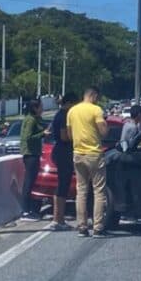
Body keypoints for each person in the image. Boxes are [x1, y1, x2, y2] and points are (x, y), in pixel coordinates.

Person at [66, 87, 109, 237]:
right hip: (94, 153)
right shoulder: (96, 110)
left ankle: (82, 226)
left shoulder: (72, 111)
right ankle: (98, 227)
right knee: (98, 191)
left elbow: (70, 135)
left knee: (81, 191)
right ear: (93, 95)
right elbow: (104, 131)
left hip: (78, 153)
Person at [49, 92, 78, 230]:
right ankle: (58, 219)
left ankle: (58, 218)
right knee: (63, 185)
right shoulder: (64, 115)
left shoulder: (60, 114)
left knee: (62, 185)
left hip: (59, 151)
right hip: (63, 151)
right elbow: (64, 136)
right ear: (70, 103)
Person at [18, 100, 46, 222]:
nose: (42, 109)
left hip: (33, 153)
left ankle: (29, 209)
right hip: (30, 154)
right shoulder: (30, 120)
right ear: (35, 108)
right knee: (28, 182)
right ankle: (25, 210)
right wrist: (42, 134)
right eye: (40, 107)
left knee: (31, 181)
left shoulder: (35, 119)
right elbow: (27, 137)